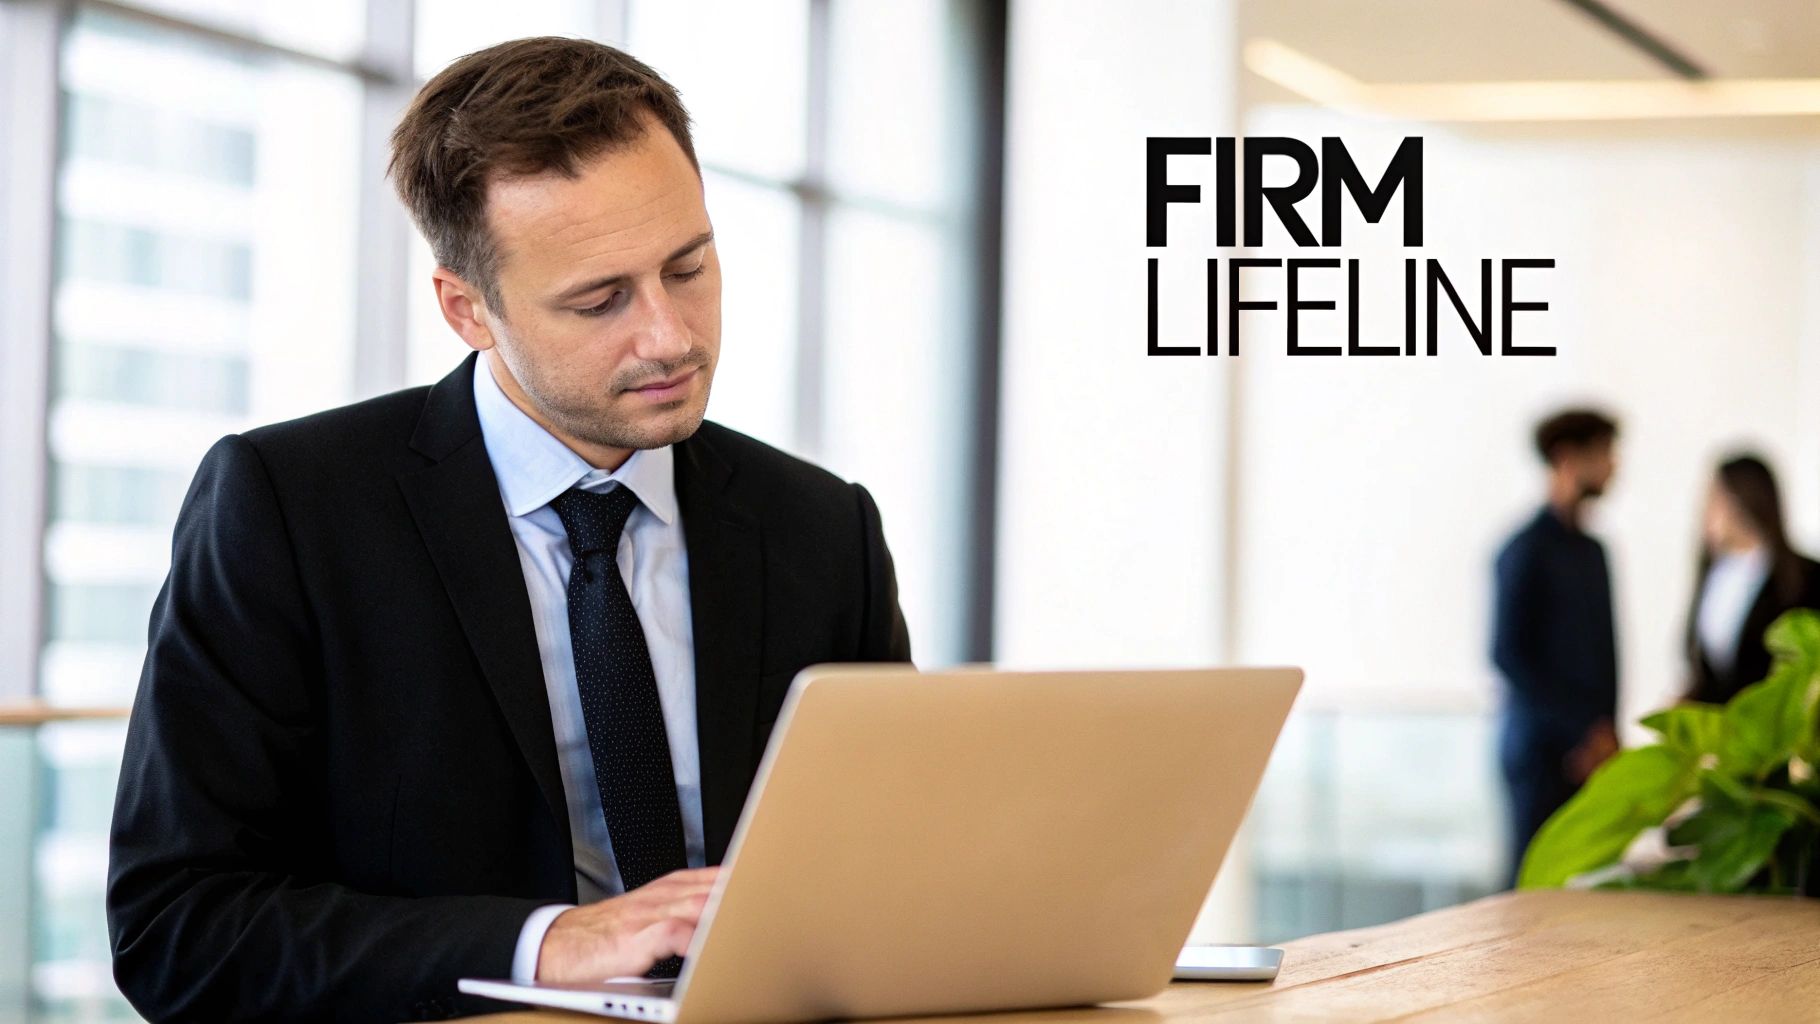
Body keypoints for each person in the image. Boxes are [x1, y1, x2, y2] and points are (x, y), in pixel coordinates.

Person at [106, 38, 912, 1023]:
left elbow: (887, 878)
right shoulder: (288, 507)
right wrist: (548, 942)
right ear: (467, 310)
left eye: (687, 266)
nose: (671, 335)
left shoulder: (822, 528)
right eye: (598, 298)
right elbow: (179, 929)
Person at [1491, 408, 1621, 888]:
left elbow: (1606, 655)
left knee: (1584, 888)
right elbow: (1508, 655)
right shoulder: (1522, 549)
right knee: (1531, 886)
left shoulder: (1594, 552)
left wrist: (1604, 732)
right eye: (1604, 453)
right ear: (1568, 458)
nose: (1614, 466)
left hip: (1592, 749)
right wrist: (1579, 730)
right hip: (1539, 752)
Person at [1682, 454, 1820, 705]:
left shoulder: (1805, 577)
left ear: (1743, 501)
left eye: (1715, 499)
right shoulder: (1713, 574)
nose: (1705, 511)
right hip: (1722, 735)